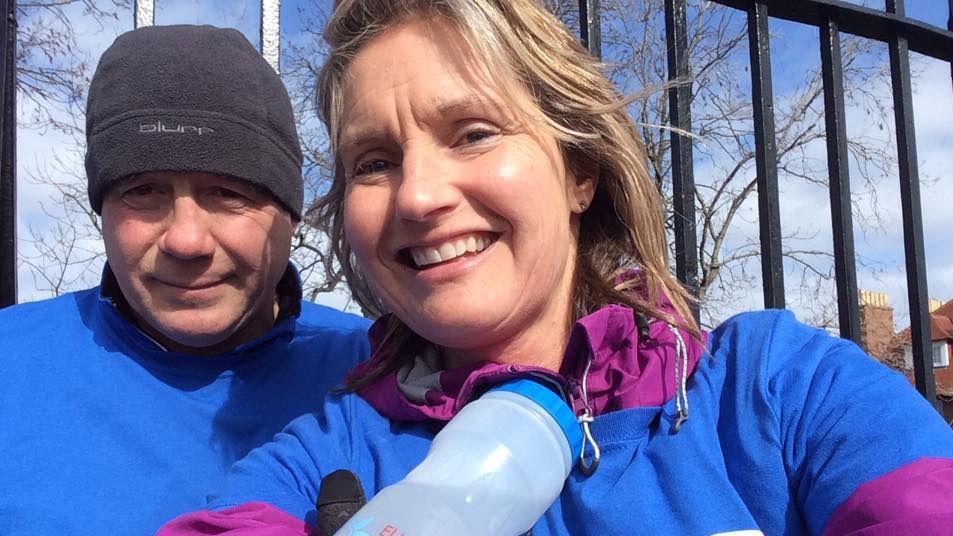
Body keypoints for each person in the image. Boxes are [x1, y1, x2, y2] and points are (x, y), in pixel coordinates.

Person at [161, 1, 953, 534]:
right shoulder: (318, 460)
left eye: (471, 133)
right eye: (373, 161)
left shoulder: (779, 393)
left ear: (580, 170)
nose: (419, 194)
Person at [0, 25, 371, 534]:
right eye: (143, 190)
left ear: (291, 214)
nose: (186, 240)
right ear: (101, 212)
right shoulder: (11, 363)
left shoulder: (380, 375)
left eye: (226, 192)